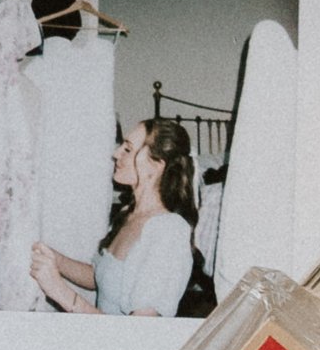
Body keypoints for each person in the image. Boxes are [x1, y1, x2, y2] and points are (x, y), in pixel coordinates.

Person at [29, 117, 197, 316]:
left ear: (156, 165)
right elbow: (100, 276)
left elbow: (138, 335)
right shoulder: (128, 214)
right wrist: (54, 258)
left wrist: (59, 291)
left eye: (127, 149)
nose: (116, 153)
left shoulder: (169, 232)